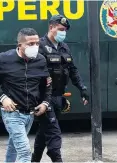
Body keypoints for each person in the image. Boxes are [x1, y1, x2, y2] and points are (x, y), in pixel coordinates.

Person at [31, 15, 89, 162]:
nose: (63, 32)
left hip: (59, 97)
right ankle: (56, 158)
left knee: (44, 132)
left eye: (65, 30)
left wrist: (82, 88)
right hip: (44, 98)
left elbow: (72, 70)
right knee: (54, 134)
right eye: (61, 29)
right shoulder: (40, 46)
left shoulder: (64, 47)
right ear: (51, 27)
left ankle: (34, 160)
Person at [0, 28, 52, 162]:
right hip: (12, 113)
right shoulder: (4, 59)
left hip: (30, 114)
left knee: (13, 148)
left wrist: (45, 103)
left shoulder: (41, 60)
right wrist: (3, 98)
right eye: (30, 44)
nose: (35, 47)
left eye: (37, 43)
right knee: (24, 152)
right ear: (20, 46)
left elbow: (47, 84)